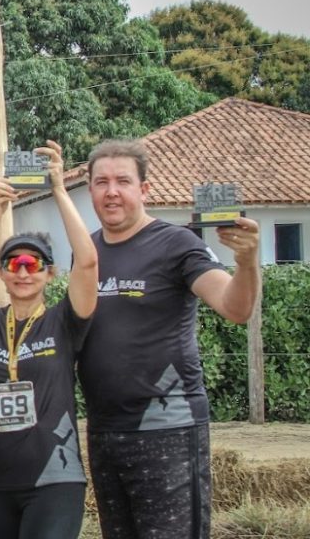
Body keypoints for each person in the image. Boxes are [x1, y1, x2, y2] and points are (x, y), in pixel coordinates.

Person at [78, 138, 262, 538]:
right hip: (104, 430)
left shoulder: (178, 244)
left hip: (167, 429)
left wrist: (247, 262)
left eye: (123, 181)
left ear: (144, 190)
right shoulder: (86, 251)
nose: (112, 191)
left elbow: (235, 307)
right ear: (89, 189)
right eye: (101, 182)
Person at [0, 142, 98, 539]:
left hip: (54, 480)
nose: (23, 272)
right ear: (2, 273)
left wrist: (59, 190)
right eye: (14, 264)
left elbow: (90, 262)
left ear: (50, 274)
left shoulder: (64, 321)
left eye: (33, 264)